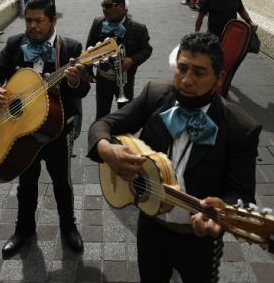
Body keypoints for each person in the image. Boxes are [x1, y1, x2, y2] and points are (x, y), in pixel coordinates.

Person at [88, 32, 261, 283]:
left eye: (199, 72)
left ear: (219, 79)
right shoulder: (156, 95)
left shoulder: (240, 127)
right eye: (182, 68)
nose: (186, 80)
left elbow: (242, 195)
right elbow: (102, 125)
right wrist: (106, 149)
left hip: (198, 240)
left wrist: (221, 215)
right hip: (151, 227)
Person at [0, 0, 90, 258]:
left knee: (61, 182)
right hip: (20, 129)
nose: (32, 26)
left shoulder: (71, 47)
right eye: (28, 20)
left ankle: (68, 227)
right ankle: (24, 229)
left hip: (56, 130)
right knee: (26, 182)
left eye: (39, 21)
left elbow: (83, 88)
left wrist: (74, 81)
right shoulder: (15, 44)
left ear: (53, 20)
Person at [86, 0, 152, 121]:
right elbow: (89, 47)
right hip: (103, 79)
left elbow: (146, 50)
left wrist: (132, 60)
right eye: (103, 5)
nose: (105, 9)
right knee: (101, 114)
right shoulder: (98, 23)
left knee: (125, 116)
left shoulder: (138, 28)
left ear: (122, 7)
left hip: (125, 81)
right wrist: (88, 71)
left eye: (109, 6)